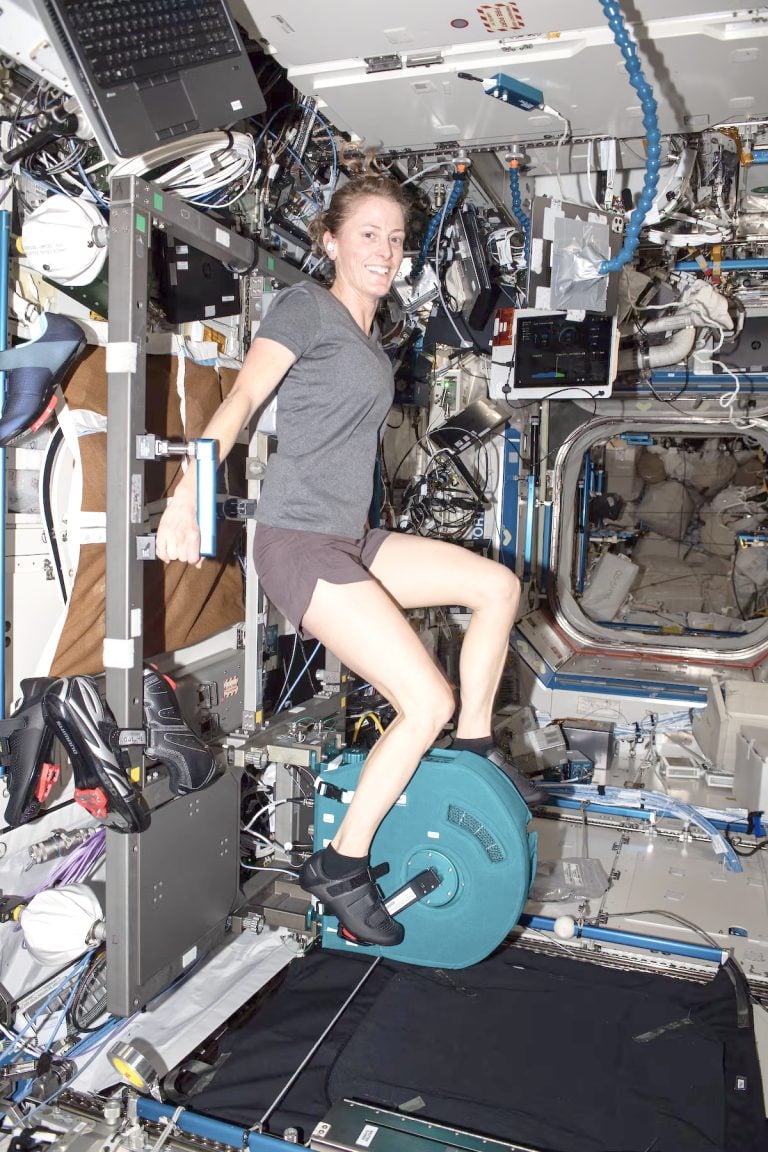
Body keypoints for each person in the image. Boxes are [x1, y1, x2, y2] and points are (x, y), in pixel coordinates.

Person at [156, 174, 546, 948]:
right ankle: (340, 864)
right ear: (330, 241)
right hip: (298, 541)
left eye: (396, 238)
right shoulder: (305, 307)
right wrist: (184, 493)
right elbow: (241, 401)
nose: (385, 250)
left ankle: (474, 748)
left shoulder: (374, 338)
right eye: (368, 233)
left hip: (352, 536)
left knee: (498, 587)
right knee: (424, 703)